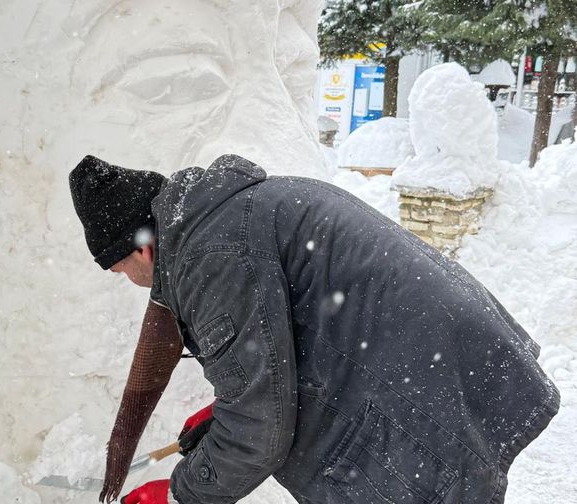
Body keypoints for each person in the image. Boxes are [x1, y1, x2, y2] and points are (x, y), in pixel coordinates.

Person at [68, 154, 559, 504]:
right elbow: (285, 348)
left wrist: (179, 494)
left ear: (141, 250)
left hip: (420, 392)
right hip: (449, 361)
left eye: (119, 271)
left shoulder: (208, 256)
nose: (128, 282)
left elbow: (261, 429)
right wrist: (226, 409)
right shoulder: (229, 214)